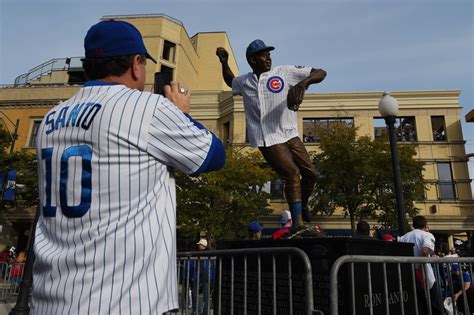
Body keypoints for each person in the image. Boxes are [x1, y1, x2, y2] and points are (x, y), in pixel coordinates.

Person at [32, 20, 226, 314]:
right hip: (122, 301)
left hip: (50, 299)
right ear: (136, 64)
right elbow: (214, 156)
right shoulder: (147, 108)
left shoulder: (50, 118)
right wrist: (181, 113)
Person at [216, 40, 327, 228]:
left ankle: (304, 205)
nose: (268, 57)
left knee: (312, 175)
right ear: (252, 60)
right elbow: (230, 81)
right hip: (266, 137)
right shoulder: (244, 81)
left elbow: (320, 72)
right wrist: (224, 63)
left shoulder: (283, 72)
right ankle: (297, 223)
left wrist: (303, 84)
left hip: (289, 133)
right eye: (263, 54)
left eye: (269, 54)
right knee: (292, 173)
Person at [399, 216, 442, 315]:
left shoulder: (404, 237)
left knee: (418, 306)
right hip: (424, 276)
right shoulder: (427, 235)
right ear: (425, 225)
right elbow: (425, 251)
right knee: (433, 306)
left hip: (408, 275)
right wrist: (422, 263)